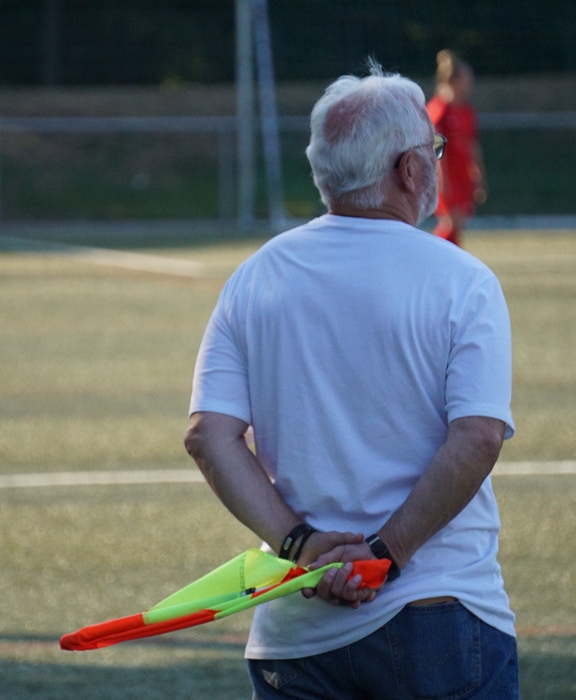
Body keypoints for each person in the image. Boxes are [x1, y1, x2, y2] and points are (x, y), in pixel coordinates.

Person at [184, 60, 517, 699]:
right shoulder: (461, 279)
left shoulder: (257, 276)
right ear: (408, 170)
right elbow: (476, 437)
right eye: (433, 150)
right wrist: (383, 558)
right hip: (439, 611)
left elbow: (208, 437)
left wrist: (300, 545)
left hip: (297, 632)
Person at [427, 50, 487, 247]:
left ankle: (444, 258)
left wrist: (478, 176)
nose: (470, 82)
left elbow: (472, 146)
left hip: (462, 176)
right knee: (452, 223)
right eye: (466, 77)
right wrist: (441, 178)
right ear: (453, 80)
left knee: (457, 225)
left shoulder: (466, 110)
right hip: (447, 176)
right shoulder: (440, 109)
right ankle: (431, 251)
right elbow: (436, 146)